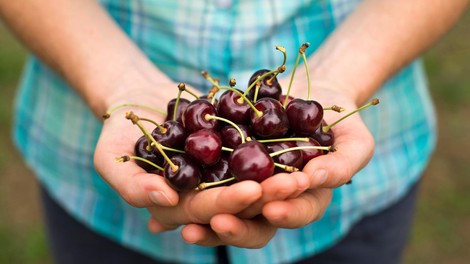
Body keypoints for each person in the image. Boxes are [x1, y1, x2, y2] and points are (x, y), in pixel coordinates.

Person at [1, 0, 468, 263]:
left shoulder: (294, 129)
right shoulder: (191, 138)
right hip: (96, 193)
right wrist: (113, 80)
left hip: (359, 204)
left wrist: (347, 75)